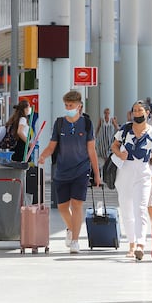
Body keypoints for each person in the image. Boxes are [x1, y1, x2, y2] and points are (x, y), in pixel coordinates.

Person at [111, 100, 152, 260]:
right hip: (125, 169)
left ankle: (141, 244)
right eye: (135, 110)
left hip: (143, 171)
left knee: (140, 207)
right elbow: (114, 145)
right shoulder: (125, 129)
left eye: (140, 110)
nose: (137, 113)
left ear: (147, 113)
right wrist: (119, 154)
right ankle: (131, 243)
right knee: (126, 208)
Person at [38, 90, 100, 254]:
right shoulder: (59, 123)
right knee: (63, 207)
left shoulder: (87, 124)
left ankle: (75, 241)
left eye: (70, 105)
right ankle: (71, 229)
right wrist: (43, 155)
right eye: (66, 105)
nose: (68, 108)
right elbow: (52, 146)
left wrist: (97, 174)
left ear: (79, 106)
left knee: (77, 205)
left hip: (81, 169)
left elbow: (92, 150)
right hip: (62, 170)